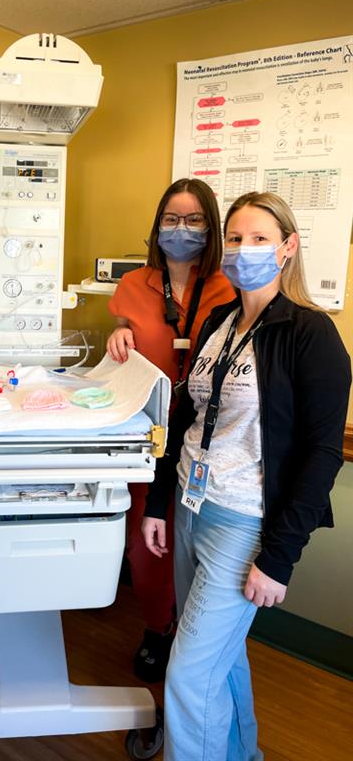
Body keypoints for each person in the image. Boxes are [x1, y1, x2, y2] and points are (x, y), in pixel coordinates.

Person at [143, 192, 351, 760]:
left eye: (259, 238)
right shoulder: (219, 320)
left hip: (244, 522)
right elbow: (186, 416)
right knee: (220, 659)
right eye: (234, 238)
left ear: (287, 247)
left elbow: (321, 454)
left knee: (188, 673)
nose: (243, 249)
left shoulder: (312, 335)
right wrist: (161, 502)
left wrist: (279, 557)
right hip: (191, 504)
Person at [107, 178, 235, 681]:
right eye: (171, 220)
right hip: (151, 429)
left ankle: (196, 631)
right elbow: (125, 344)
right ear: (157, 226)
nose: (181, 230)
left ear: (212, 227)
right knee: (147, 539)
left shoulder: (231, 285)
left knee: (199, 536)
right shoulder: (133, 285)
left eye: (194, 220)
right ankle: (158, 628)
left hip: (210, 433)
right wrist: (118, 333)